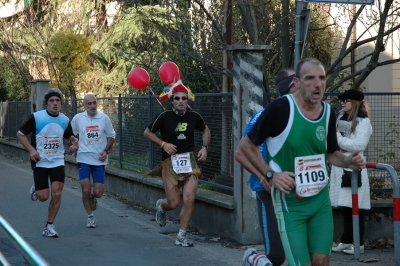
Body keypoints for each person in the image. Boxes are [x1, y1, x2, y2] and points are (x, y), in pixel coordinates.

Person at [235, 58, 366, 266]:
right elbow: (245, 147)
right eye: (310, 78)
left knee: (322, 262)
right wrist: (270, 174)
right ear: (297, 81)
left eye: (322, 78)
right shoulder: (280, 109)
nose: (318, 84)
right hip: (291, 203)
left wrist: (348, 160)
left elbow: (331, 153)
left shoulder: (329, 113)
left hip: (320, 201)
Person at [239, 67, 296, 266]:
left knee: (300, 251)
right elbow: (240, 152)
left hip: (294, 189)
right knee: (277, 256)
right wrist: (263, 174)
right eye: (296, 80)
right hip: (268, 190)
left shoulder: (303, 116)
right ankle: (253, 258)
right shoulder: (265, 115)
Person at [143, 80, 210, 247]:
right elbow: (147, 132)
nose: (181, 101)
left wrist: (205, 147)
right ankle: (162, 207)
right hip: (169, 163)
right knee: (174, 203)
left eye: (184, 98)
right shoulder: (164, 116)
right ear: (172, 100)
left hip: (190, 161)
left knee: (189, 198)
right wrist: (163, 144)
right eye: (177, 98)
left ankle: (181, 235)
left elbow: (205, 130)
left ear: (187, 100)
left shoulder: (194, 117)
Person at [17, 88, 78, 237]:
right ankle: (37, 187)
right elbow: (20, 134)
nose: (55, 103)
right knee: (44, 197)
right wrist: (31, 150)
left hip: (57, 160)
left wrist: (73, 142)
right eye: (52, 101)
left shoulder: (64, 119)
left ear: (61, 103)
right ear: (46, 104)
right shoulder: (37, 117)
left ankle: (49, 226)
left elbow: (69, 136)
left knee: (57, 193)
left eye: (57, 101)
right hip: (40, 161)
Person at [330, 89, 372, 255]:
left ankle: (358, 242)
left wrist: (338, 138)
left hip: (353, 166)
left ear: (354, 102)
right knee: (346, 206)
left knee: (356, 206)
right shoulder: (340, 117)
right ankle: (347, 240)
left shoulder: (363, 121)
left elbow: (359, 145)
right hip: (340, 166)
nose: (343, 103)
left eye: (346, 100)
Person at [70, 94, 116, 228]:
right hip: (83, 157)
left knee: (98, 193)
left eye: (94, 103)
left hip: (98, 160)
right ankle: (90, 217)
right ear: (84, 105)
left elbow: (112, 136)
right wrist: (72, 144)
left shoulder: (104, 118)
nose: (92, 106)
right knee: (85, 189)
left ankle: (92, 198)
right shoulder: (78, 118)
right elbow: (71, 136)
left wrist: (106, 151)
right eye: (89, 104)